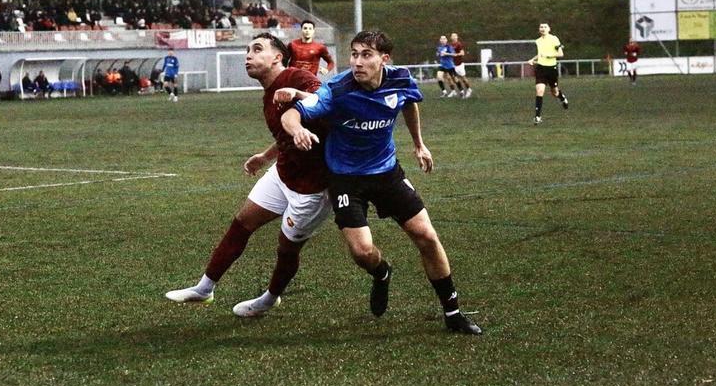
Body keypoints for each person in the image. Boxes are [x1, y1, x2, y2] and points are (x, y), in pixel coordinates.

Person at [279, 30, 482, 335]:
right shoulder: (338, 87)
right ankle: (382, 272)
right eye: (354, 54)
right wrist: (297, 130)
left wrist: (418, 144)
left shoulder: (400, 78)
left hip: (386, 172)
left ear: (384, 59)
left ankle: (453, 312)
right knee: (362, 252)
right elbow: (293, 114)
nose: (357, 62)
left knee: (426, 235)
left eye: (366, 55)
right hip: (345, 177)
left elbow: (410, 103)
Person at [165, 33, 331, 318]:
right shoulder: (268, 93)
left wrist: (300, 99)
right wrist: (265, 156)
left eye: (257, 50)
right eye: (247, 50)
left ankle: (269, 298)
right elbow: (285, 134)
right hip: (283, 174)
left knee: (287, 249)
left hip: (313, 187)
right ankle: (204, 288)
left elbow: (326, 100)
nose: (248, 56)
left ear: (277, 57)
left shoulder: (297, 77)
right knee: (241, 223)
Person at [527, 23, 568, 125]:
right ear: (539, 29)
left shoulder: (554, 39)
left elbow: (560, 54)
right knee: (540, 90)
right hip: (541, 68)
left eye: (545, 27)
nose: (543, 28)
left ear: (549, 29)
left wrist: (549, 56)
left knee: (555, 92)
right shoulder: (538, 41)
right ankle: (537, 116)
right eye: (541, 27)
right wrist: (532, 59)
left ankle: (562, 98)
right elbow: (541, 54)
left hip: (551, 69)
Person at [450, 33, 473, 99]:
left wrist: (456, 54)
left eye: (454, 36)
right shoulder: (450, 45)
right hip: (453, 65)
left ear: (457, 37)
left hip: (459, 64)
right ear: (451, 38)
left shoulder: (459, 44)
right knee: (455, 79)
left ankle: (469, 89)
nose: (453, 37)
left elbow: (462, 53)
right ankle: (461, 91)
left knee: (463, 79)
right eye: (452, 36)